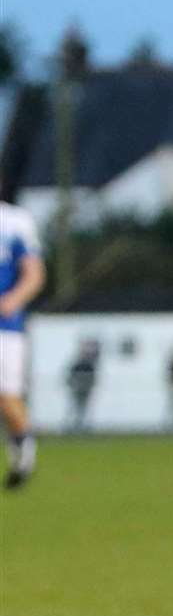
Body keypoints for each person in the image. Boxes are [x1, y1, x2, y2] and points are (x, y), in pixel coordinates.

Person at [0, 199, 45, 490]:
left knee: (6, 396)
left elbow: (33, 273)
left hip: (5, 328)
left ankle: (23, 452)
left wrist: (12, 300)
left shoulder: (14, 221)